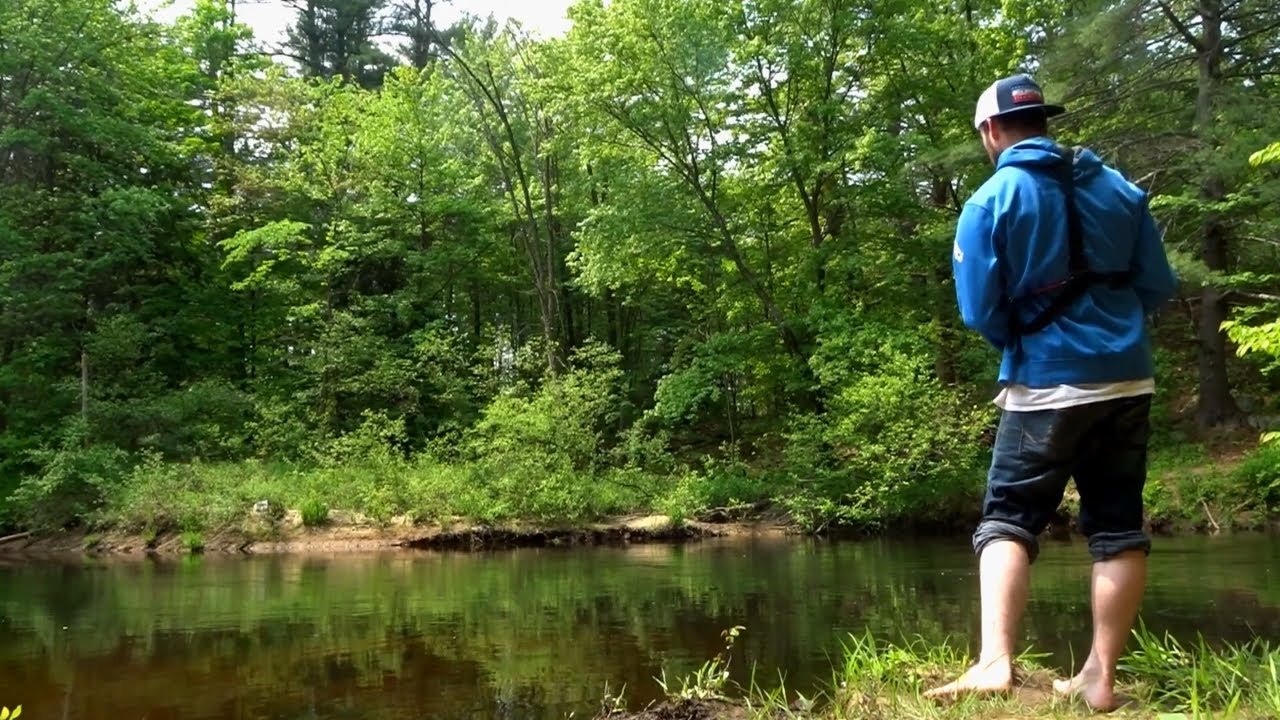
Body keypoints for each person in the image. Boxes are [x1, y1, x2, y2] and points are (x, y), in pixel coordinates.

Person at [924, 74, 1179, 711]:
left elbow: (980, 310)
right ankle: (1099, 677)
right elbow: (1156, 285)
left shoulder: (991, 200)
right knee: (1118, 526)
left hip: (1043, 384)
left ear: (990, 131)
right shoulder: (1119, 188)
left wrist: (1032, 339)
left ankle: (994, 664)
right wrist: (1111, 332)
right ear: (1044, 120)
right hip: (1127, 379)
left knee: (1007, 520)